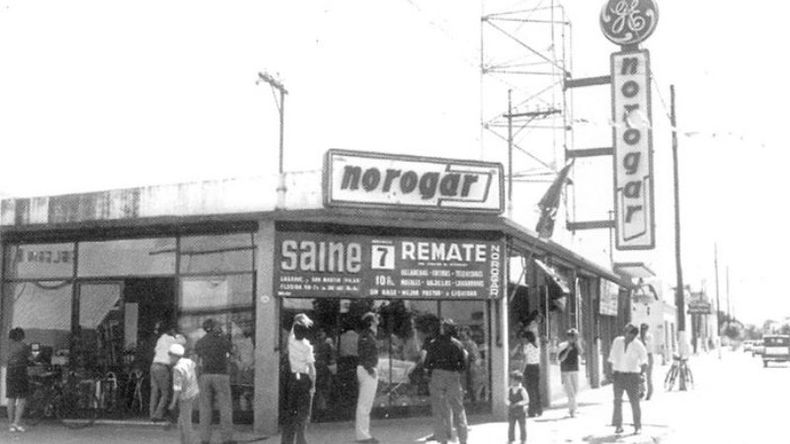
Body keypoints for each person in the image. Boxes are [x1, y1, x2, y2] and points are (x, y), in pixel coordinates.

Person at [423, 319, 469, 444]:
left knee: (438, 410)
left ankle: (442, 440)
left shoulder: (433, 344)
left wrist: (430, 372)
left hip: (437, 376)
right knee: (458, 409)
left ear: (442, 329)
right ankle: (463, 439)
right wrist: (456, 371)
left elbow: (427, 363)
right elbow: (464, 364)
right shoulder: (457, 344)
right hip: (453, 376)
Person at [195, 318, 235, 444]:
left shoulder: (200, 342)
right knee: (225, 407)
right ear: (214, 327)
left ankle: (205, 439)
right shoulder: (223, 340)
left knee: (205, 408)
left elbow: (198, 359)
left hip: (205, 375)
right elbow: (232, 352)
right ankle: (227, 438)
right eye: (218, 325)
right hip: (221, 375)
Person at [282, 313, 316, 444]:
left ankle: (286, 441)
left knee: (290, 412)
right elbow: (312, 368)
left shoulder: (290, 343)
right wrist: (313, 385)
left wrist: (298, 320)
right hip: (303, 379)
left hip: (292, 379)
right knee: (302, 413)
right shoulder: (307, 347)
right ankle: (301, 440)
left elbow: (292, 331)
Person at [608, 324, 648, 435]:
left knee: (634, 402)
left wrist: (641, 375)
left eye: (631, 333)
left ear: (634, 335)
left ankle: (637, 426)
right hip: (618, 375)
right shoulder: (617, 341)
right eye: (627, 332)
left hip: (632, 376)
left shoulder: (638, 345)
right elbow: (611, 357)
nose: (628, 335)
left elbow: (644, 361)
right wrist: (610, 372)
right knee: (617, 401)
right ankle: (618, 425)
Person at [150, 321, 186, 422]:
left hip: (154, 365)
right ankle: (158, 415)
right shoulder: (172, 340)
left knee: (154, 391)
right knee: (165, 393)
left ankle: (151, 413)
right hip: (162, 367)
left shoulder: (161, 338)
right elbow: (183, 341)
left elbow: (156, 350)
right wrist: (176, 334)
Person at [355, 312, 380, 444]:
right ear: (371, 322)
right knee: (364, 405)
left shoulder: (368, 335)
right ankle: (363, 436)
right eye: (375, 318)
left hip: (367, 369)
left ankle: (364, 434)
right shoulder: (366, 336)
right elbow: (364, 354)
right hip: (367, 370)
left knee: (365, 404)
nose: (378, 319)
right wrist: (370, 369)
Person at [168, 343, 200, 444]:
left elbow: (177, 388)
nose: (169, 357)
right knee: (183, 420)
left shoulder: (177, 369)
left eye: (170, 354)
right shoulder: (189, 362)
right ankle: (184, 440)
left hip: (185, 396)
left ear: (175, 356)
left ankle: (188, 441)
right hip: (193, 392)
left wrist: (173, 403)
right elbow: (196, 369)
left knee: (185, 422)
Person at [5, 327, 30, 432]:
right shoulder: (23, 346)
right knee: (22, 398)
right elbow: (31, 358)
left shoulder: (8, 346)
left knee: (11, 398)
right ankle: (16, 422)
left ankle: (11, 424)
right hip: (21, 372)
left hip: (10, 372)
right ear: (21, 336)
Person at [558, 328, 583, 417]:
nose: (572, 338)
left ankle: (573, 407)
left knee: (575, 390)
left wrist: (577, 344)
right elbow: (561, 358)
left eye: (574, 336)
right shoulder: (562, 345)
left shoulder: (576, 345)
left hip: (574, 369)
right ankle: (572, 410)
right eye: (571, 336)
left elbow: (581, 353)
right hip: (566, 370)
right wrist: (568, 350)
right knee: (570, 392)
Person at [313, 327, 336, 419]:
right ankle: (322, 409)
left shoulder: (315, 345)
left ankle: (320, 409)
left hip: (318, 369)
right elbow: (332, 358)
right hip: (324, 370)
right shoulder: (327, 345)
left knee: (319, 390)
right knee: (323, 390)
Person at [520, 330, 542, 417]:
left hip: (529, 368)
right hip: (536, 367)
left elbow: (525, 360)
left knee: (530, 390)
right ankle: (539, 409)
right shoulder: (536, 346)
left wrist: (522, 371)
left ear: (527, 338)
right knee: (536, 388)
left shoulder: (527, 346)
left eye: (524, 338)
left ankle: (531, 410)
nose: (523, 340)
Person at [506, 370, 528, 444]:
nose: (512, 381)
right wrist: (509, 403)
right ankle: (511, 439)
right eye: (511, 380)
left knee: (522, 425)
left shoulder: (522, 390)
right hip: (512, 410)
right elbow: (506, 399)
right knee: (511, 425)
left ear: (518, 381)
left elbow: (526, 400)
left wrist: (519, 403)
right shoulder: (509, 389)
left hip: (520, 410)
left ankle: (523, 439)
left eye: (514, 380)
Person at [639, 323, 655, 400]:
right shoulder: (638, 337)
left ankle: (649, 393)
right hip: (640, 357)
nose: (643, 330)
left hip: (648, 356)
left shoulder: (649, 336)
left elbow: (646, 345)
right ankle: (641, 391)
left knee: (648, 376)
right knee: (639, 375)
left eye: (645, 329)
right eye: (642, 329)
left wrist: (643, 339)